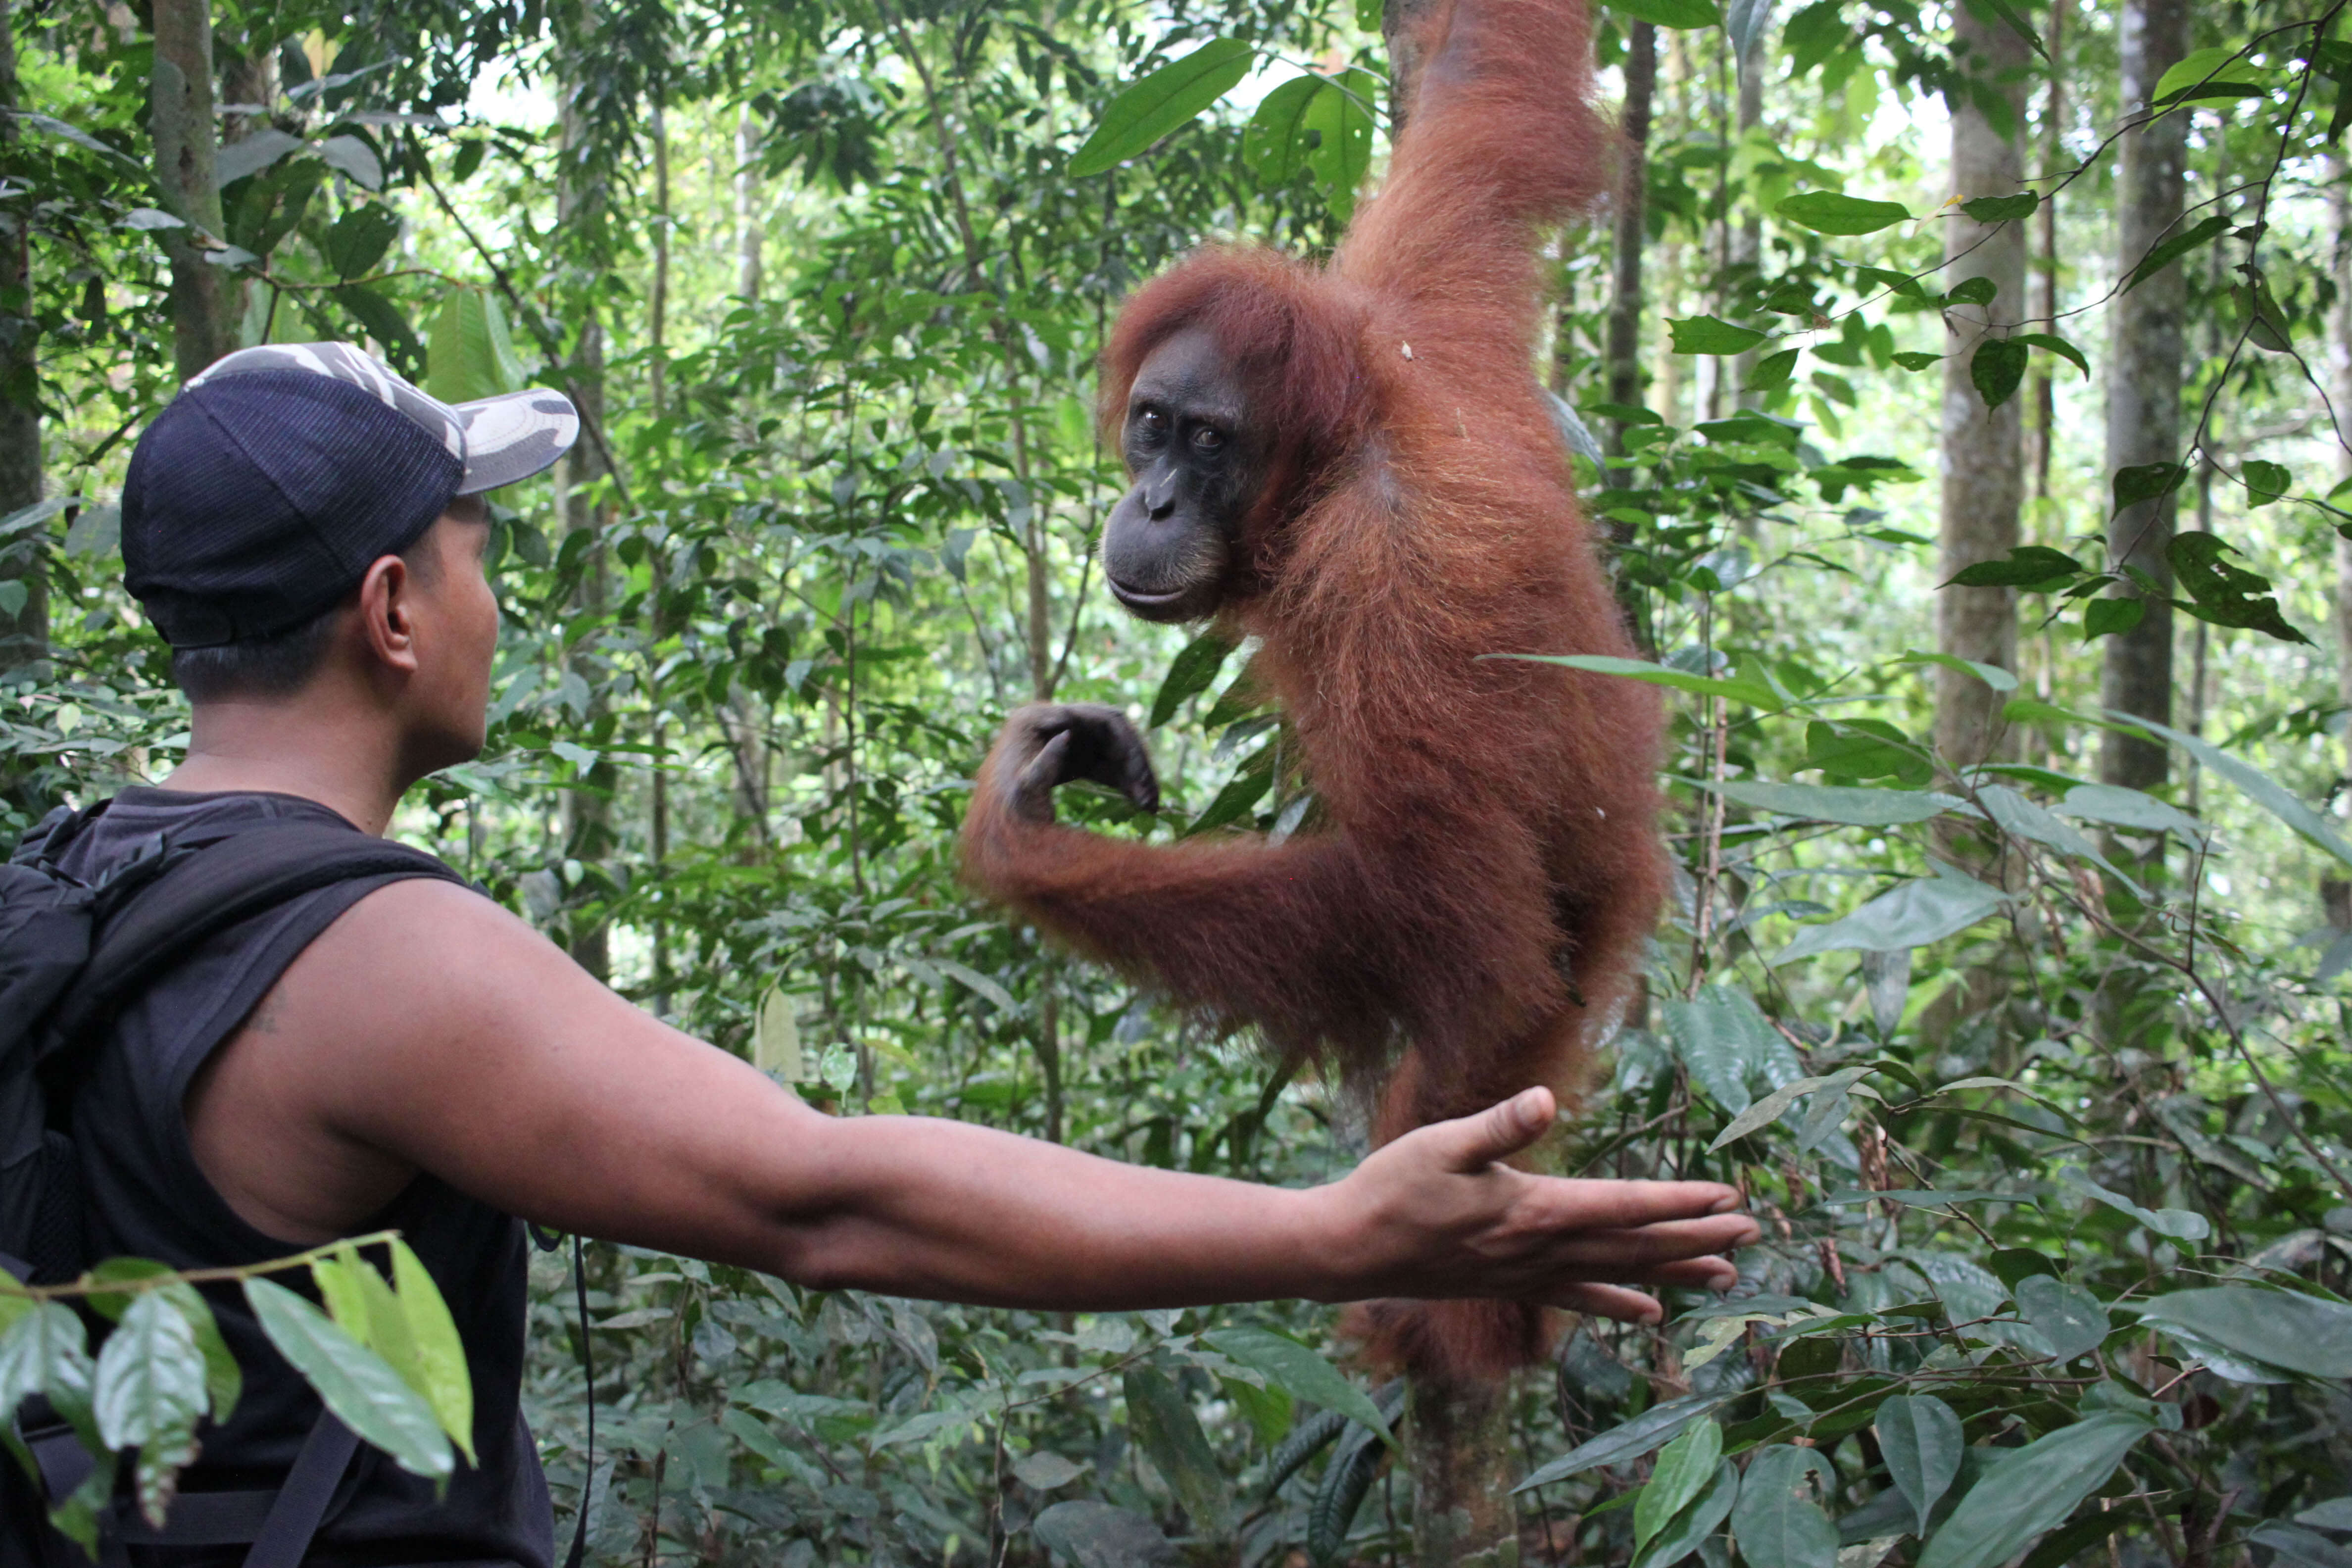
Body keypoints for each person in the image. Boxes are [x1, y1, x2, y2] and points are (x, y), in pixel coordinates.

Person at [13, 344, 1757, 1566]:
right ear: (394, 612)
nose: (498, 595)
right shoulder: (374, 961)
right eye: (478, 550)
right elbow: (825, 1201)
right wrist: (1331, 1234)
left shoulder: (70, 877)